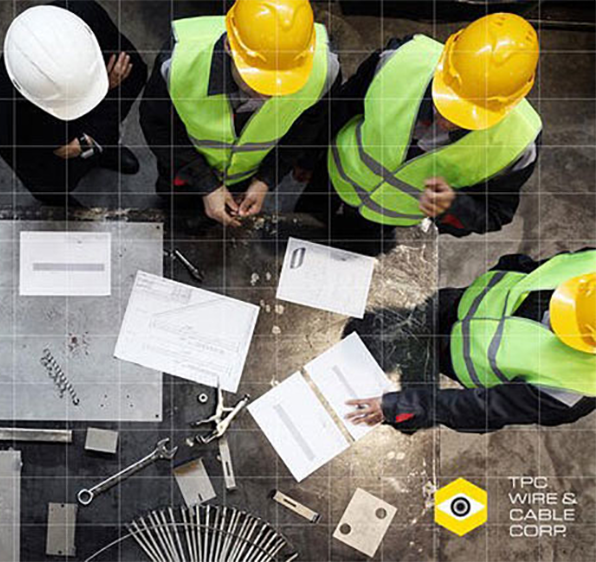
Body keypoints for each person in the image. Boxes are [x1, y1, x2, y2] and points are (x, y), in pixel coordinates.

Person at [298, 13, 542, 239]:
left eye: (466, 119)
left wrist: (454, 206)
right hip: (331, 179)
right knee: (301, 230)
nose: (445, 121)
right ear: (444, 65)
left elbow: (495, 213)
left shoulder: (518, 143)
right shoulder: (399, 60)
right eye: (444, 102)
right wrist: (308, 158)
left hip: (385, 218)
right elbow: (340, 109)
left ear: (508, 105)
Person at [347, 249, 596, 433]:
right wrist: (505, 269)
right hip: (459, 303)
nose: (552, 316)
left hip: (452, 357)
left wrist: (396, 405)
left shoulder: (574, 389)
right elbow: (545, 267)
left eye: (565, 323)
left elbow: (479, 410)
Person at [140, 0, 340, 227]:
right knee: (178, 214)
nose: (269, 96)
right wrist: (206, 184)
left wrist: (265, 179)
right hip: (184, 171)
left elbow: (307, 127)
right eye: (258, 81)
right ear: (228, 46)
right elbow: (157, 125)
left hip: (248, 176)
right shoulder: (179, 62)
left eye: (283, 84)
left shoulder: (324, 70)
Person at [0, 0, 147, 206]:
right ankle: (59, 203)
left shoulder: (81, 16)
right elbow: (39, 173)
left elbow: (134, 73)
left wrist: (90, 141)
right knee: (54, 186)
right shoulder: (3, 120)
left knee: (102, 139)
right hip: (51, 153)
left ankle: (101, 152)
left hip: (85, 133)